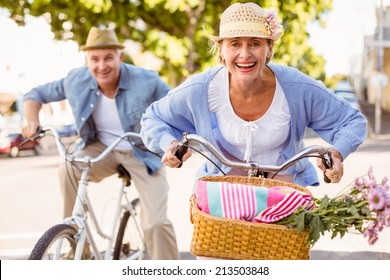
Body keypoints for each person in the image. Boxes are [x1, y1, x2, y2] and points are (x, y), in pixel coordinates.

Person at [140, 2, 368, 187]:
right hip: (223, 194)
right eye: (235, 44)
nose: (245, 54)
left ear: (269, 48)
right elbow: (153, 118)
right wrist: (168, 144)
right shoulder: (200, 90)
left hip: (283, 196)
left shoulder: (297, 88)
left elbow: (352, 121)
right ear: (221, 50)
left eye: (255, 43)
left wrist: (336, 155)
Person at [21, 27, 179, 260]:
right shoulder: (76, 79)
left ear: (120, 57)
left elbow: (176, 107)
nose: (101, 66)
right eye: (94, 59)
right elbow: (35, 94)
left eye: (108, 58)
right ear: (87, 60)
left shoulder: (147, 80)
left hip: (142, 151)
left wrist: (172, 141)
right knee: (67, 167)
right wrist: (31, 119)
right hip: (100, 148)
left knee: (155, 223)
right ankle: (78, 246)